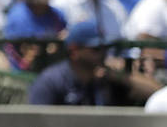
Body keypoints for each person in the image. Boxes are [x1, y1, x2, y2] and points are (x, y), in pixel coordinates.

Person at [28, 20, 161, 106]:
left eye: (106, 48)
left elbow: (159, 95)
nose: (103, 53)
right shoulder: (51, 81)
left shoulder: (107, 77)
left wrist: (120, 76)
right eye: (96, 49)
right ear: (74, 51)